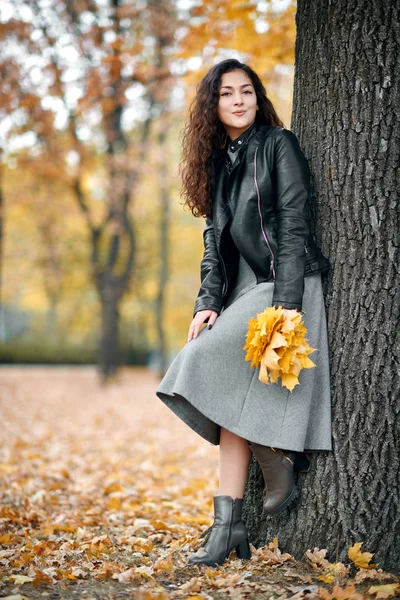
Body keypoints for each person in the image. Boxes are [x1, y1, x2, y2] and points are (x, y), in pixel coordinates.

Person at [156, 59, 332, 567]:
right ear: (212, 105)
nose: (238, 100)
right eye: (227, 93)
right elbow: (215, 245)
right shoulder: (219, 163)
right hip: (247, 287)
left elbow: (296, 223)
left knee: (200, 364)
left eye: (247, 91)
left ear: (258, 98)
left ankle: (276, 457)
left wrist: (288, 307)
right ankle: (227, 526)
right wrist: (208, 303)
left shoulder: (279, 144)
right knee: (225, 396)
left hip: (288, 281)